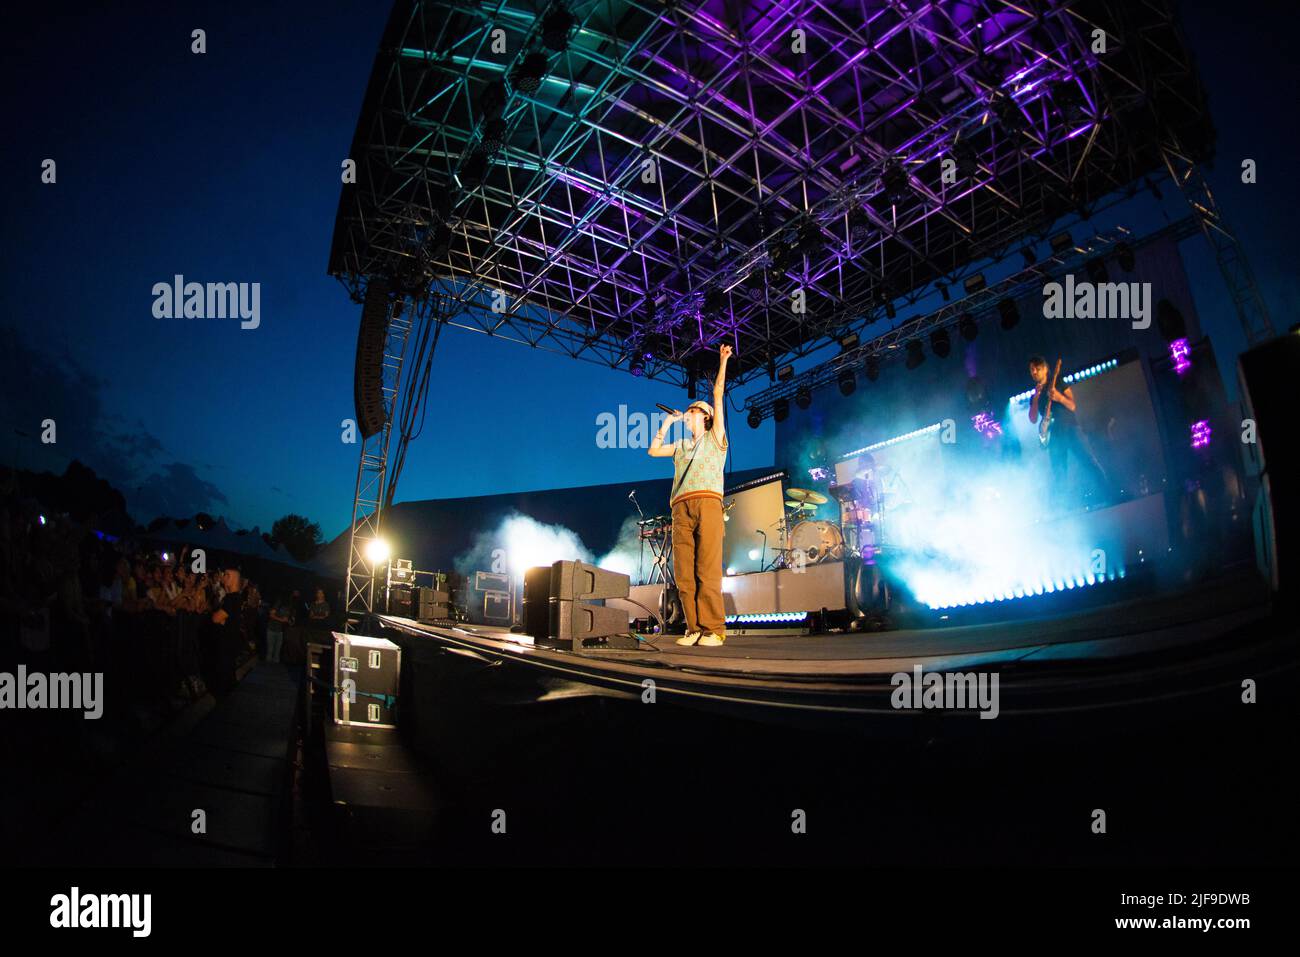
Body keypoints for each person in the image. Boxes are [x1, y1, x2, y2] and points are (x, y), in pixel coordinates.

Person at [649, 343, 731, 647]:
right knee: (684, 572)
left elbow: (719, 394)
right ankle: (693, 627)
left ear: (704, 417)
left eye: (693, 410)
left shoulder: (715, 437)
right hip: (680, 507)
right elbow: (653, 450)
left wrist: (722, 361)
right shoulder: (682, 446)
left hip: (708, 501)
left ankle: (714, 629)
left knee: (707, 567)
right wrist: (668, 422)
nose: (689, 413)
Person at [1027, 355, 1109, 507]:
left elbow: (1073, 405)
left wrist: (1058, 397)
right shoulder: (1034, 395)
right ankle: (1063, 508)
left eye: (1037, 369)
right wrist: (1037, 397)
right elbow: (1032, 419)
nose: (1034, 372)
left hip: (1071, 429)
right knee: (1059, 473)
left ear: (1045, 369)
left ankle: (1110, 495)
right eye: (1032, 370)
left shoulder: (1057, 382)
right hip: (1055, 437)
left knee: (1088, 461)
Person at [266, 595, 291, 664]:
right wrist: (281, 620)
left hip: (280, 631)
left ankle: (275, 672)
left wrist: (288, 621)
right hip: (271, 629)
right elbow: (271, 615)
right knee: (270, 651)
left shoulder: (288, 607)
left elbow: (286, 619)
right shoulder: (278, 604)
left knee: (277, 652)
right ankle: (267, 670)